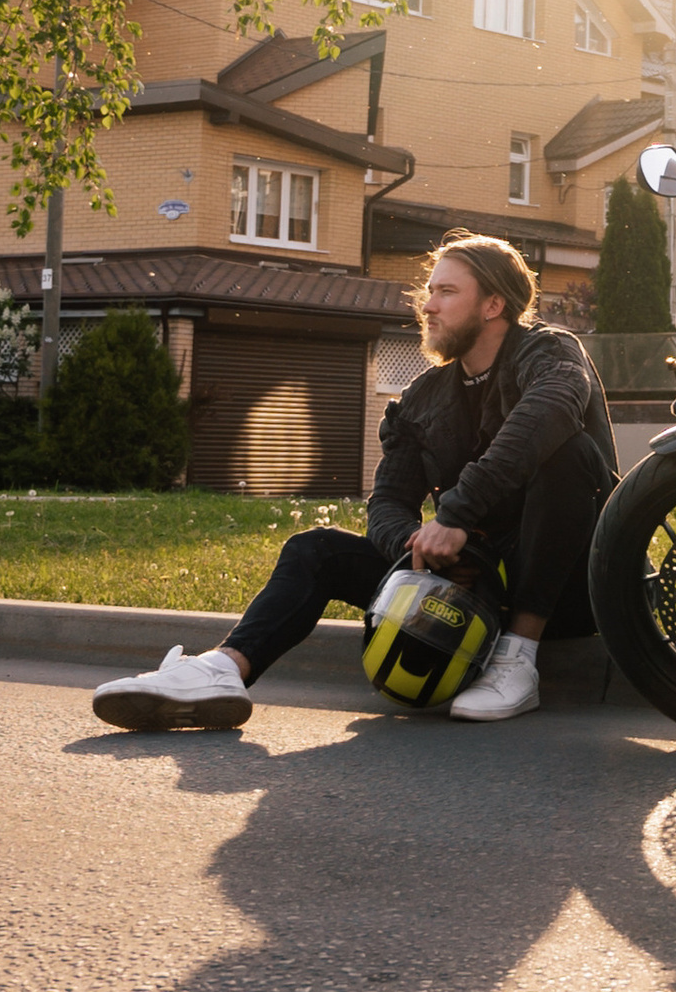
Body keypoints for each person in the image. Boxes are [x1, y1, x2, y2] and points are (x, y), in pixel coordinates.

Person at [90, 234, 616, 733]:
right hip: (459, 588)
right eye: (430, 291)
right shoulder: (423, 397)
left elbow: (544, 415)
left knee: (567, 453)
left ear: (493, 305)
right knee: (315, 548)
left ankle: (518, 660)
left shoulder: (550, 354)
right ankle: (223, 670)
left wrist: (456, 517)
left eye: (447, 292)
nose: (428, 305)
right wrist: (420, 552)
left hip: (569, 588)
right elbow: (387, 501)